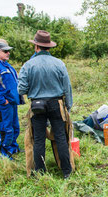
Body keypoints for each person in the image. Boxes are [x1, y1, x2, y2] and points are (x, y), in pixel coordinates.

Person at [18, 30, 73, 178]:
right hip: (57, 104)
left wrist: (34, 88)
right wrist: (67, 106)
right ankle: (66, 171)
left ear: (36, 46)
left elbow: (21, 89)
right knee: (61, 137)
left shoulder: (28, 65)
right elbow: (67, 87)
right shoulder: (59, 64)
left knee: (38, 139)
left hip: (36, 105)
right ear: (49, 47)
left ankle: (41, 173)